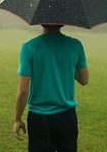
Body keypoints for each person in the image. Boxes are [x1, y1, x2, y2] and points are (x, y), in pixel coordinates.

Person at [13, 24, 89, 152]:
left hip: (39, 119)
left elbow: (23, 90)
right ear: (63, 22)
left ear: (41, 22)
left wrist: (17, 119)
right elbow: (84, 80)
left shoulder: (29, 47)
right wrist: (67, 65)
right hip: (67, 117)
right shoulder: (75, 45)